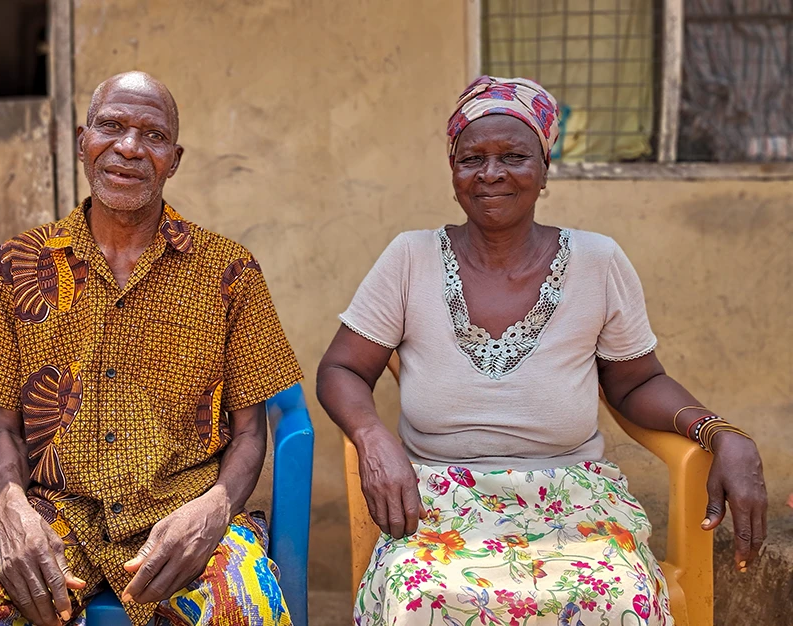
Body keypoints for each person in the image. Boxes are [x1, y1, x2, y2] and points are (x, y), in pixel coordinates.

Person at [316, 75, 768, 626]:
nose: (491, 174)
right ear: (452, 170)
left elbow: (636, 382)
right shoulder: (410, 258)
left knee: (622, 596)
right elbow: (342, 366)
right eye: (471, 158)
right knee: (420, 599)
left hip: (574, 500)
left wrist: (719, 432)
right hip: (434, 501)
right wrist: (372, 436)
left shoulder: (598, 262)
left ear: (545, 169)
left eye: (514, 155)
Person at [0, 72, 302, 626]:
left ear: (175, 158)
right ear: (81, 140)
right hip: (52, 512)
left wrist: (213, 510)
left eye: (152, 135)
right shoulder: (17, 265)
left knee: (246, 609)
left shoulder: (229, 271)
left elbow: (252, 432)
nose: (129, 148)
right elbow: (4, 431)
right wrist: (11, 509)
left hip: (183, 511)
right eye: (110, 126)